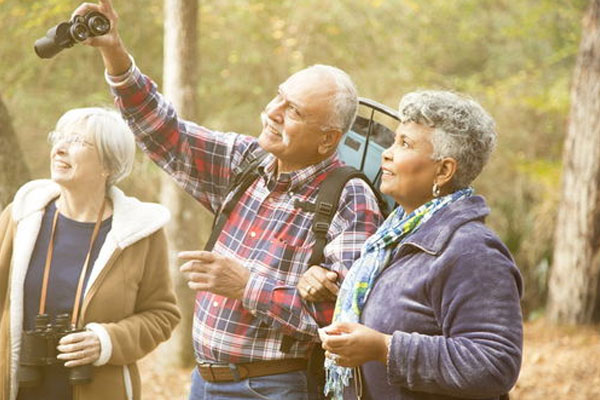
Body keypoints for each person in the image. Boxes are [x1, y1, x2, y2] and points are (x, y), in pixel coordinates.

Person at [72, 1, 383, 399]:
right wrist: (113, 52)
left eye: (294, 111)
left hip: (275, 387)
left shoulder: (349, 197)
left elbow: (343, 320)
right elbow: (164, 131)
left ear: (328, 139)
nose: (273, 112)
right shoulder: (246, 160)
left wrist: (247, 286)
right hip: (204, 382)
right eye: (279, 97)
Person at [312, 90, 523, 400]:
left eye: (405, 144)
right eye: (395, 140)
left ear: (444, 170)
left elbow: (495, 363)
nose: (387, 152)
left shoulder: (472, 251)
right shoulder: (391, 237)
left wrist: (384, 348)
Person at [0, 107, 181, 400]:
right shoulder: (22, 217)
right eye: (58, 138)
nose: (59, 148)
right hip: (19, 387)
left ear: (108, 165)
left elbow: (162, 314)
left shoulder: (139, 233)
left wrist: (106, 341)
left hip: (99, 389)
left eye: (77, 141)